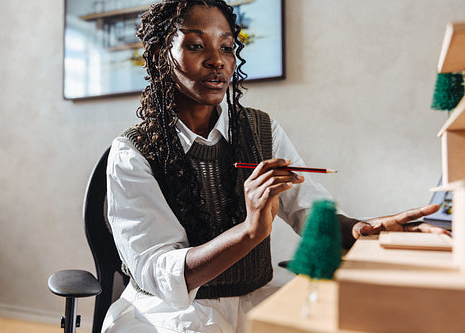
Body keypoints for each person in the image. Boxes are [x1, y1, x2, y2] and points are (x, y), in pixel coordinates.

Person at [102, 1, 448, 332]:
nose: (216, 61)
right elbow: (160, 271)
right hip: (171, 314)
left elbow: (309, 211)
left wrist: (369, 228)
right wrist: (250, 231)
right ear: (163, 55)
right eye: (195, 46)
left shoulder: (261, 129)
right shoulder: (132, 152)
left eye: (226, 47)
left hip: (256, 298)